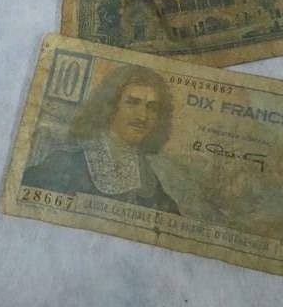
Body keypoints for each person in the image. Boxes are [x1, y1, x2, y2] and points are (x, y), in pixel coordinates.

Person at [22, 65, 181, 214]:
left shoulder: (150, 182)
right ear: (110, 107)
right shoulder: (66, 163)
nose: (143, 116)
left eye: (152, 108)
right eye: (132, 103)